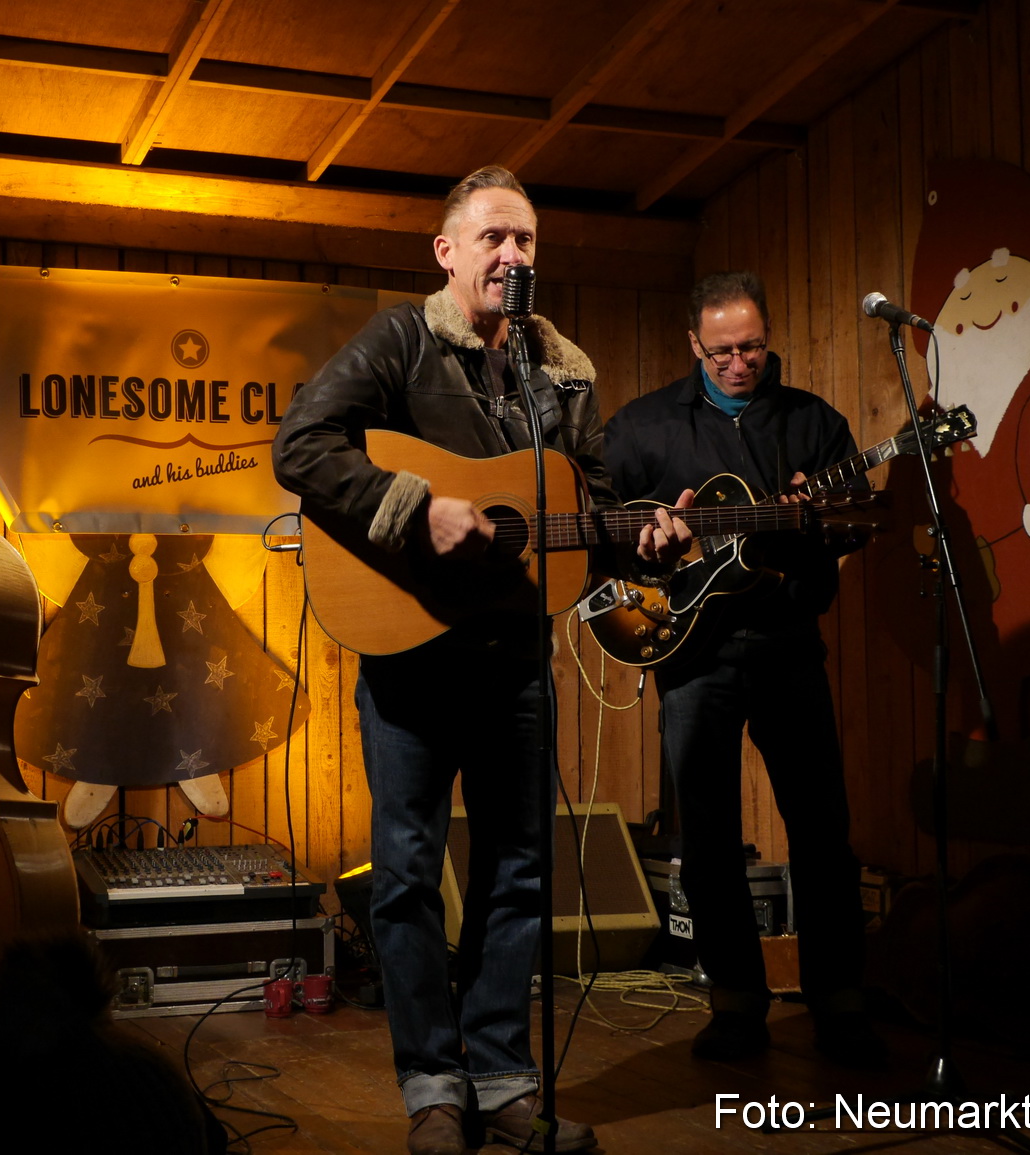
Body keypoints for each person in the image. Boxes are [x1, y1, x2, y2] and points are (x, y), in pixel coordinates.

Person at [272, 166, 688, 1155]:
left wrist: (645, 537)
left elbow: (580, 510)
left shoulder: (561, 371)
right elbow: (302, 445)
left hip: (514, 658)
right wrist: (418, 507)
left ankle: (501, 1077)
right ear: (447, 251)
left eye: (527, 242)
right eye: (494, 238)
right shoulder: (399, 341)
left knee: (518, 873)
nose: (513, 256)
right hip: (411, 658)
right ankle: (430, 1087)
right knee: (410, 874)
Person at [601, 270, 886, 1067]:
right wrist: (644, 545)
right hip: (689, 652)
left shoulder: (814, 425)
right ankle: (734, 1002)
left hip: (790, 640)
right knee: (712, 838)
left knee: (821, 830)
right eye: (722, 350)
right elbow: (598, 521)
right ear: (693, 344)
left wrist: (824, 526)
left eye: (753, 347)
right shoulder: (642, 428)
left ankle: (839, 1000)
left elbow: (853, 522)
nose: (739, 363)